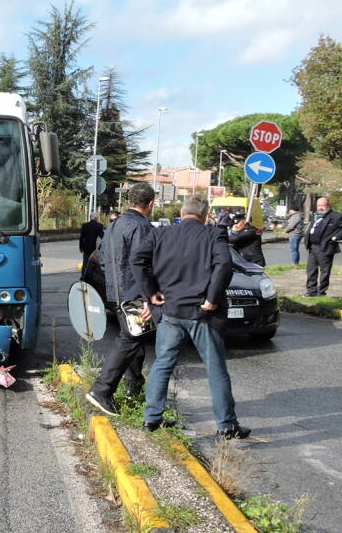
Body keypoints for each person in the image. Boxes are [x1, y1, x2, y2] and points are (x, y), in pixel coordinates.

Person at [131, 195, 249, 439]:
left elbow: (137, 260)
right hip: (202, 313)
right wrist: (213, 298)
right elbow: (224, 264)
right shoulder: (213, 234)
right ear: (205, 215)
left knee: (163, 363)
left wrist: (151, 293)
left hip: (170, 310)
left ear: (182, 213)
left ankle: (152, 418)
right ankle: (227, 425)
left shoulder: (160, 234)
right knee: (215, 367)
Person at [84, 183, 156, 416]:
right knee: (131, 339)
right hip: (133, 294)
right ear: (151, 204)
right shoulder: (142, 226)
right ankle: (102, 390)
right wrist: (148, 296)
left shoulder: (114, 225)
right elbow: (143, 264)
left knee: (137, 337)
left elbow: (103, 260)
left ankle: (133, 388)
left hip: (114, 293)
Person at [304, 197, 342, 297]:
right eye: (319, 205)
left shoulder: (335, 216)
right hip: (313, 247)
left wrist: (336, 237)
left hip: (325, 247)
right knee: (311, 270)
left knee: (324, 271)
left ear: (328, 205)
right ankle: (311, 291)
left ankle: (321, 292)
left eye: (323, 205)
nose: (320, 208)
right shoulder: (316, 215)